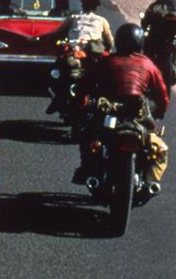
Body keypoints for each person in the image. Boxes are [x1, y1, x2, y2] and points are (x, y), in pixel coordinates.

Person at [72, 24, 170, 184]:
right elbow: (163, 95)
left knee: (87, 135)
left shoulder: (106, 61)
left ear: (118, 41)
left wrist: (81, 103)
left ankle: (86, 168)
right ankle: (151, 181)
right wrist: (161, 110)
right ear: (140, 42)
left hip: (110, 111)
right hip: (136, 114)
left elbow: (85, 85)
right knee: (158, 146)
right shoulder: (148, 64)